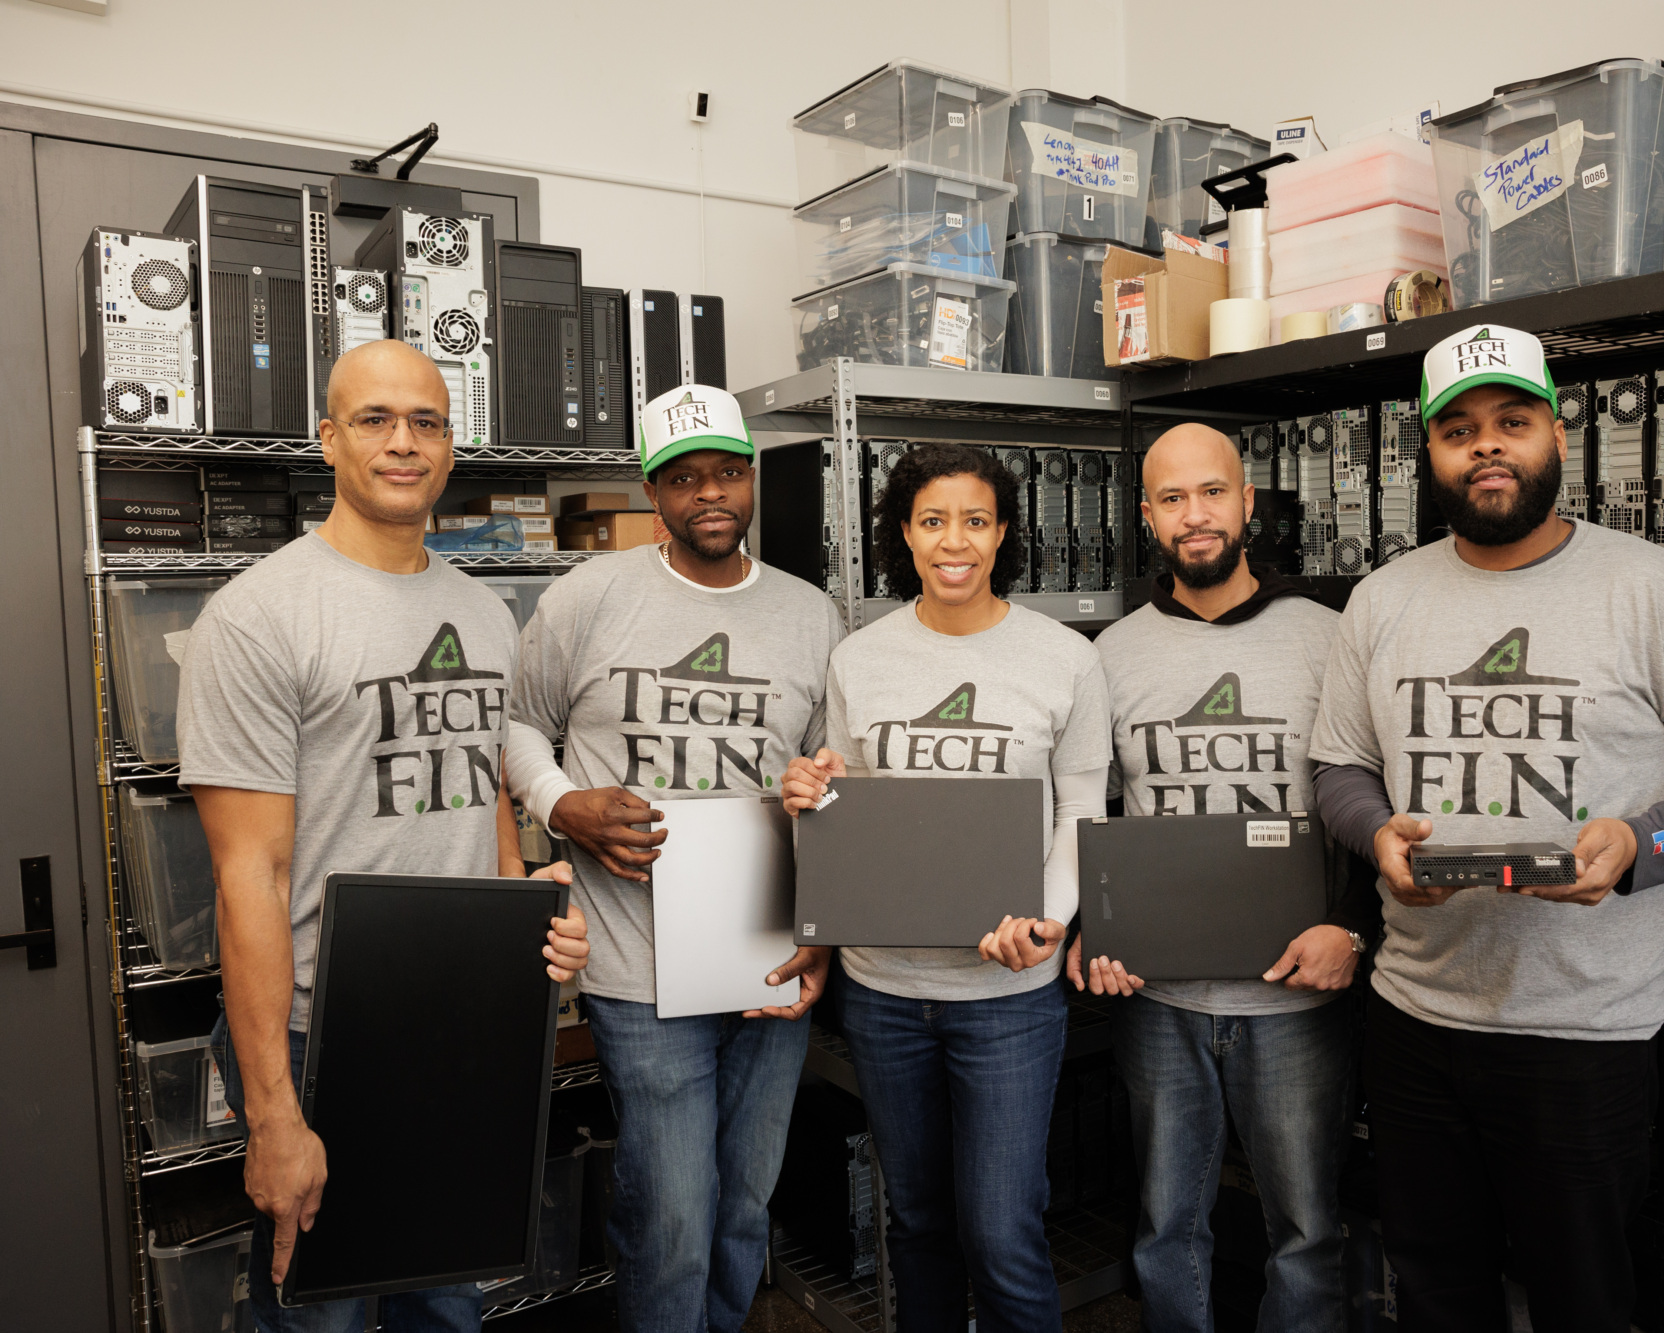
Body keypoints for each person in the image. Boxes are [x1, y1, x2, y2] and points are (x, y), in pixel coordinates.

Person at [1309, 324, 1664, 1333]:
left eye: (1510, 422)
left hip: (1584, 1032)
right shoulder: (1380, 599)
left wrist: (1635, 847)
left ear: (1556, 438)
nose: (1485, 446)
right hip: (1414, 1020)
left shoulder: (1657, 591)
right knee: (1434, 1287)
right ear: (1426, 455)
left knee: (1581, 1298)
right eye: (1458, 429)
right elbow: (1338, 767)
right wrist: (1375, 840)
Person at [179, 339, 590, 1332]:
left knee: (446, 1300)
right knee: (319, 1310)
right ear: (328, 440)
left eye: (427, 421)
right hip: (318, 1033)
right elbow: (249, 875)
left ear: (450, 448)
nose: (403, 442)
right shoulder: (258, 618)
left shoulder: (484, 612)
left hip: (457, 1022)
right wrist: (275, 1113)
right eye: (375, 420)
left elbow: (486, 792)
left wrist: (524, 920)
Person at [505, 383, 843, 1333]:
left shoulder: (811, 616)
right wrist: (564, 800)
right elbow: (521, 726)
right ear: (652, 493)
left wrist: (821, 936)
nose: (710, 494)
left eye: (727, 473)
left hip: (766, 954)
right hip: (637, 964)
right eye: (683, 477)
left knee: (743, 1207)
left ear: (751, 481)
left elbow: (829, 791)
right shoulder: (587, 598)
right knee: (673, 1215)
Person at [780, 442, 1111, 1333]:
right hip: (885, 990)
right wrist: (811, 792)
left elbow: (1080, 809)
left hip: (1008, 995)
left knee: (1002, 1232)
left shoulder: (1064, 658)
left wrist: (1047, 920)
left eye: (974, 519)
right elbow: (845, 799)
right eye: (932, 520)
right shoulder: (861, 657)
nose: (953, 540)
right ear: (904, 534)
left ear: (1003, 532)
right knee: (917, 1223)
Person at [1072, 422, 1371, 1333]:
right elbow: (1089, 815)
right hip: (1158, 998)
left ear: (1248, 503)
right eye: (1172, 498)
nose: (1194, 516)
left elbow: (1371, 801)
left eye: (1212, 493)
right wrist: (1095, 929)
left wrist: (1355, 930)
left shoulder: (1333, 639)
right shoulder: (1106, 656)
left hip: (1298, 999)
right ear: (1147, 517)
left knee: (1310, 1229)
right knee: (1168, 1226)